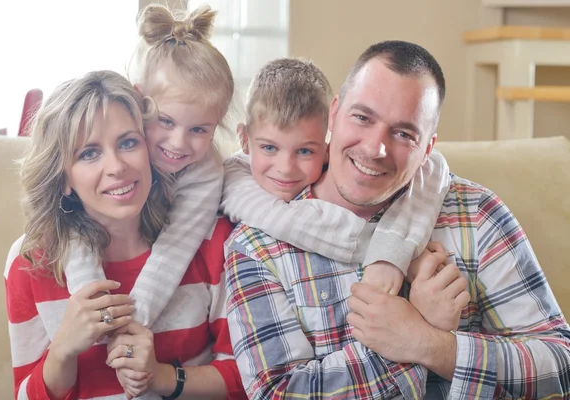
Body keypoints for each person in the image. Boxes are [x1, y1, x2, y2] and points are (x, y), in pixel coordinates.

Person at [224, 40, 570, 399]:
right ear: (334, 113)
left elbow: (561, 366)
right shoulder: (257, 247)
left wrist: (433, 345)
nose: (375, 149)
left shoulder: (476, 215)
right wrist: (410, 337)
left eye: (404, 133)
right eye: (362, 118)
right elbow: (277, 393)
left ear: (428, 148)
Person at [5, 70, 245, 399]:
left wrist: (160, 376)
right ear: (64, 178)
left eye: (127, 142)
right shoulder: (29, 260)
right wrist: (62, 352)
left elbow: (247, 378)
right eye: (88, 153)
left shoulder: (214, 241)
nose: (116, 166)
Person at [62, 3, 234, 329]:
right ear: (140, 101)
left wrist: (131, 324)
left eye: (199, 130)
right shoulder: (118, 154)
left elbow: (175, 247)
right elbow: (75, 221)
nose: (179, 143)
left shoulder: (206, 171)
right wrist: (94, 308)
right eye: (165, 121)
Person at [221, 57, 451, 294]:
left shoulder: (339, 164)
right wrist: (394, 256)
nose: (286, 167)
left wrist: (393, 252)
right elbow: (291, 224)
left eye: (304, 151)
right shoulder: (234, 183)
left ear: (327, 144)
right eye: (269, 148)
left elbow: (432, 164)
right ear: (244, 139)